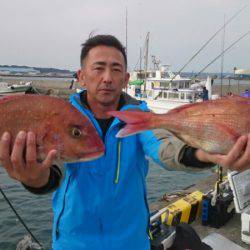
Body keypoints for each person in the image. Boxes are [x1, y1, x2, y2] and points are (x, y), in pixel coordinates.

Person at [0, 35, 249, 250]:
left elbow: (164, 148)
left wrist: (207, 155)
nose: (107, 78)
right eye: (98, 68)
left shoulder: (140, 116)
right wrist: (33, 177)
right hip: (72, 243)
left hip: (131, 242)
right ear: (82, 76)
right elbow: (54, 170)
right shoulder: (63, 119)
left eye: (116, 69)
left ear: (126, 78)